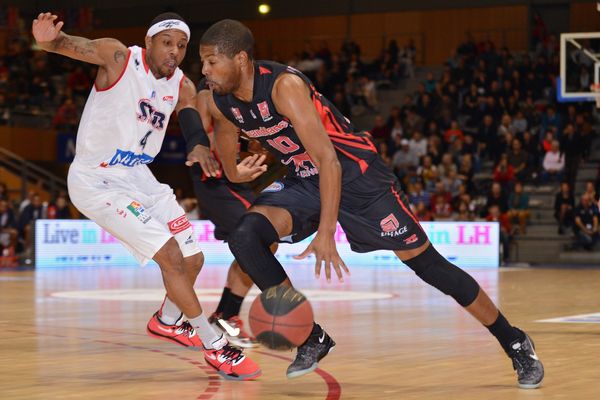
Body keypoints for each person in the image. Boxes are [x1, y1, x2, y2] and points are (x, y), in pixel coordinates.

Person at [199, 19, 543, 387]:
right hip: (305, 178)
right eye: (202, 62)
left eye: (211, 62)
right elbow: (224, 129)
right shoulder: (220, 97)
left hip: (357, 176)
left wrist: (327, 231)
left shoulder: (284, 86)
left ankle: (515, 341)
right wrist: (235, 173)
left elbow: (329, 161)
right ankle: (312, 335)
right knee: (246, 236)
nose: (204, 70)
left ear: (241, 58)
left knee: (429, 267)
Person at [32, 12, 260, 380]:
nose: (174, 52)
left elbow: (188, 111)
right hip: (96, 179)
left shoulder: (181, 84)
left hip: (138, 176)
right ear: (149, 41)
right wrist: (48, 40)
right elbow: (70, 46)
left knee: (194, 258)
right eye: (167, 42)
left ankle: (168, 321)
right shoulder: (119, 57)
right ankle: (215, 346)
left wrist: (199, 145)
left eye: (182, 46)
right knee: (170, 256)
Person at [185, 80, 278, 347]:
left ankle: (225, 316)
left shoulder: (233, 105)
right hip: (213, 176)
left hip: (229, 177)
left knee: (261, 241)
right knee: (259, 238)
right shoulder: (207, 95)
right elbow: (201, 133)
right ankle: (226, 317)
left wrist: (253, 145)